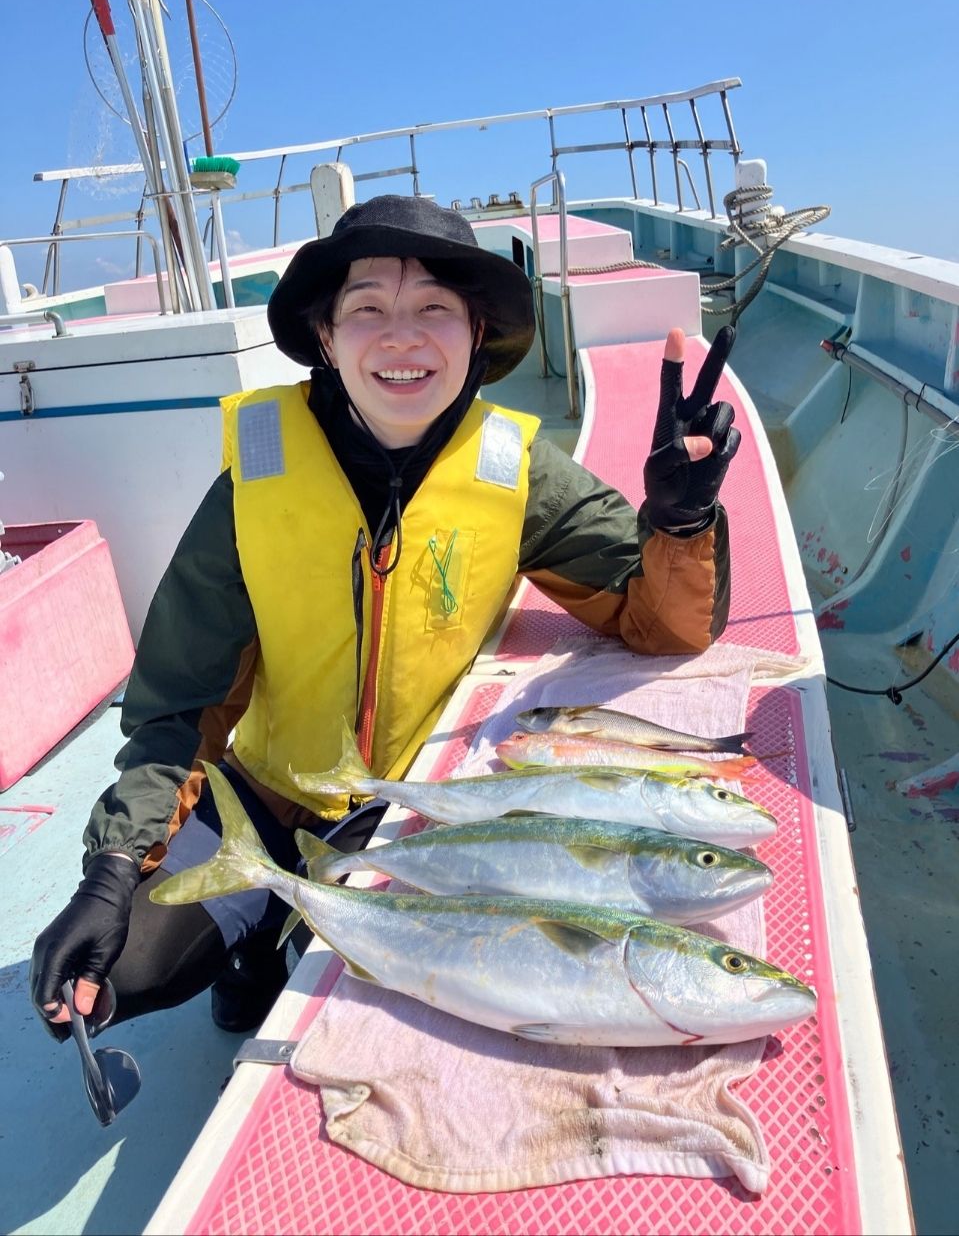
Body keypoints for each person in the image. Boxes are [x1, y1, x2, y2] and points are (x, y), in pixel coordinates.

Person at [30, 194, 740, 1039]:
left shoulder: (518, 472)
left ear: (476, 335)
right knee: (123, 968)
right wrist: (111, 868)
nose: (401, 337)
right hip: (264, 788)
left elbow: (661, 625)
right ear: (326, 339)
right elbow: (179, 699)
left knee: (422, 998)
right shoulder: (253, 486)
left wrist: (681, 523)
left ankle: (292, 920)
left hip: (410, 805)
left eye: (434, 308)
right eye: (366, 308)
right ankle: (257, 936)